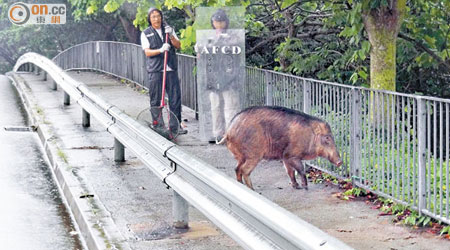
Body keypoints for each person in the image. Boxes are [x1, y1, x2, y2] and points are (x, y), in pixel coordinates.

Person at [140, 7, 187, 136]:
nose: (157, 19)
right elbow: (147, 52)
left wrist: (171, 35)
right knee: (156, 98)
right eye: (153, 16)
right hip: (156, 70)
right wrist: (160, 50)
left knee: (175, 98)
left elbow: (178, 45)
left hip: (170, 69)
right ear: (150, 19)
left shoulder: (168, 30)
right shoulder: (146, 33)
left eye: (158, 16)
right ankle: (158, 124)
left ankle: (175, 126)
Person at [197, 9, 241, 143]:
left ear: (226, 22)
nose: (219, 24)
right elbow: (202, 54)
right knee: (215, 106)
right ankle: (217, 133)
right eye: (216, 22)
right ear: (213, 22)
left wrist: (226, 40)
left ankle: (231, 133)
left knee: (230, 107)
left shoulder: (233, 36)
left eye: (221, 22)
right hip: (213, 76)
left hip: (229, 76)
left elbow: (238, 49)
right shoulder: (208, 37)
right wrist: (199, 47)